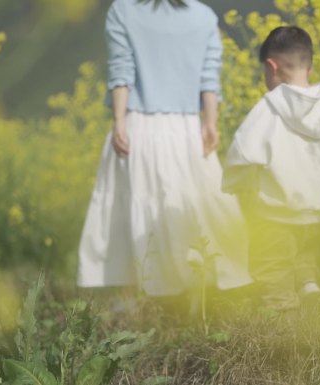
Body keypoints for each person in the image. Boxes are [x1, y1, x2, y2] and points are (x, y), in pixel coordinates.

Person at [78, 0, 252, 304]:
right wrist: (210, 123)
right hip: (185, 128)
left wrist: (119, 121)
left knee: (136, 207)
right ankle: (197, 295)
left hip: (138, 125)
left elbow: (122, 71)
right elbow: (208, 78)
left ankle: (140, 300)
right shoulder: (204, 16)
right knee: (195, 205)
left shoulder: (122, 10)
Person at [222, 26, 320, 311]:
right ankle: (312, 297)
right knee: (305, 262)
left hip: (274, 215)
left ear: (272, 67)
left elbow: (242, 153)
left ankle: (284, 340)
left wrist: (238, 187)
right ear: (310, 67)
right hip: (315, 214)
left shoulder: (269, 108)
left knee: (274, 275)